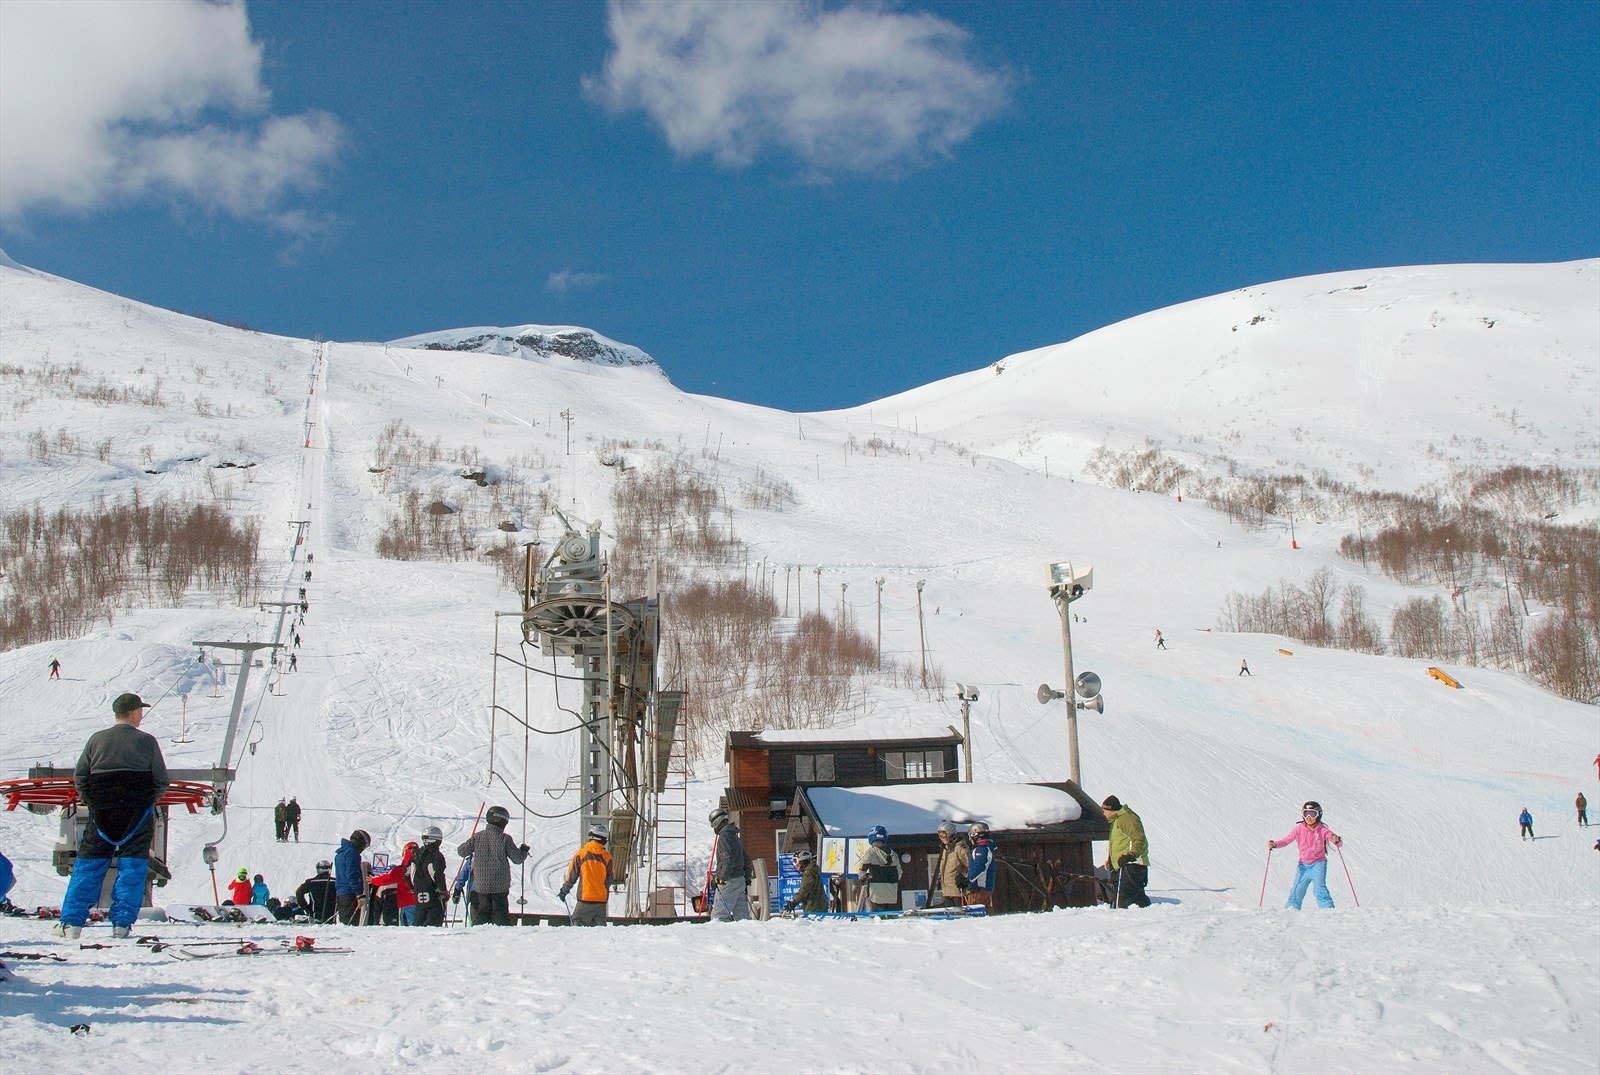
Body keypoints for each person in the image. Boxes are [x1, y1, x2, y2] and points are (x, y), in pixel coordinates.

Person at [54, 693, 169, 940]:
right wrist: (147, 801)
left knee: (89, 866)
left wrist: (91, 801)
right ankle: (122, 925)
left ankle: (72, 924)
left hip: (102, 813)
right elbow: (161, 780)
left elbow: (81, 777)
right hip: (137, 814)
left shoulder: (97, 740)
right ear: (136, 712)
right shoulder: (147, 742)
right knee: (132, 868)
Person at [455, 805, 528, 926]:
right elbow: (517, 859)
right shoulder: (505, 839)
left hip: (481, 885)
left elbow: (461, 851)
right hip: (500, 885)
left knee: (483, 913)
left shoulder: (477, 837)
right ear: (503, 821)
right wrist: (524, 851)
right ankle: (500, 937)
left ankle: (479, 935)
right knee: (500, 915)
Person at [1270, 800, 1343, 909]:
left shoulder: (1322, 830)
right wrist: (1275, 844)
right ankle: (1292, 908)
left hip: (1318, 864)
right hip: (1303, 865)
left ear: (1319, 815)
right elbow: (1286, 840)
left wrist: (1336, 840)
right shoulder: (1299, 829)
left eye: (1312, 814)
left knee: (1319, 888)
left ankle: (1327, 908)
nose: (1309, 817)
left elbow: (1334, 839)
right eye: (1306, 813)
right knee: (1298, 888)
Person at [1097, 795, 1151, 909]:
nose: (1103, 814)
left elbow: (1138, 839)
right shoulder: (1117, 820)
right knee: (1136, 899)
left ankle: (1126, 921)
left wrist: (1130, 856)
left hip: (1130, 865)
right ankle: (1148, 918)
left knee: (1123, 900)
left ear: (1111, 810)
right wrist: (1110, 859)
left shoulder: (1126, 819)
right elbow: (1119, 843)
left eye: (1104, 811)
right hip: (1124, 865)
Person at [558, 824, 613, 926]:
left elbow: (571, 876)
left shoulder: (581, 854)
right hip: (601, 901)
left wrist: (564, 891)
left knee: (578, 930)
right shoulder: (607, 857)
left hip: (585, 899)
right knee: (600, 932)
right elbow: (610, 879)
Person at [706, 806, 752, 921]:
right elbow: (745, 859)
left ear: (717, 822)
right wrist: (746, 878)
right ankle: (748, 936)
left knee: (718, 916)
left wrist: (720, 878)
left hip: (729, 881)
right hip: (739, 880)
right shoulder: (733, 836)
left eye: (713, 824)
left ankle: (721, 937)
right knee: (742, 918)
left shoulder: (724, 837)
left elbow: (727, 861)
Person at [369, 842, 419, 925]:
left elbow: (387, 878)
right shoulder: (421, 866)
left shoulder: (402, 869)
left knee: (408, 931)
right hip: (422, 903)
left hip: (407, 903)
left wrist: (373, 880)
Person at [408, 826, 449, 926]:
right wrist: (443, 891)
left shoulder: (415, 854)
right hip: (434, 898)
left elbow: (407, 873)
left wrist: (413, 887)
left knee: (418, 926)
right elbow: (437, 874)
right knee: (432, 927)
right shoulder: (436, 856)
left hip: (419, 897)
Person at [856, 825, 902, 912]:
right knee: (891, 921)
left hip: (875, 895)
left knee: (877, 921)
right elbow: (899, 874)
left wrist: (864, 877)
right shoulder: (894, 855)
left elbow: (862, 869)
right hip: (891, 895)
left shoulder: (871, 852)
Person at [930, 821, 971, 908]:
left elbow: (970, 866)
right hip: (947, 892)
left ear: (950, 834)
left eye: (943, 835)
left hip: (958, 892)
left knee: (960, 916)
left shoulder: (959, 849)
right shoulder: (946, 849)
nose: (941, 838)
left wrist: (965, 879)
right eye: (939, 835)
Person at [335, 829, 370, 924]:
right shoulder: (352, 853)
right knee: (351, 925)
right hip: (350, 893)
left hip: (341, 892)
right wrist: (359, 894)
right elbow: (352, 874)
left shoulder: (341, 853)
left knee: (345, 922)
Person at [965, 822, 997, 911]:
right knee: (986, 910)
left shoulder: (982, 849)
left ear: (976, 835)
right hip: (981, 888)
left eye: (971, 835)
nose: (970, 839)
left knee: (977, 913)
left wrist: (968, 879)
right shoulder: (985, 848)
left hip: (979, 888)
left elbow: (980, 866)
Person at [783, 849, 826, 913]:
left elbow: (804, 890)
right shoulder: (813, 870)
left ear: (802, 861)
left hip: (814, 908)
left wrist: (794, 902)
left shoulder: (809, 873)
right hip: (818, 906)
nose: (794, 865)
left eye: (795, 861)